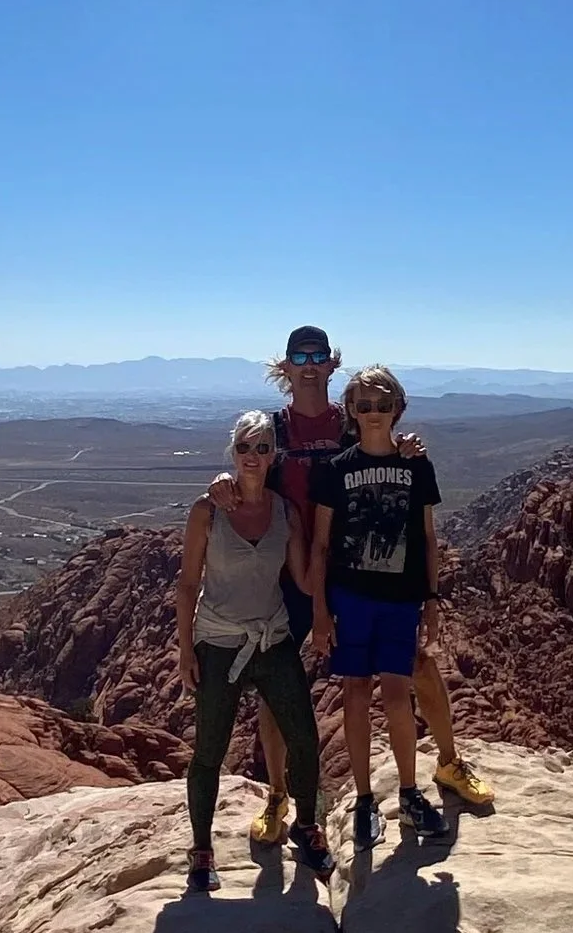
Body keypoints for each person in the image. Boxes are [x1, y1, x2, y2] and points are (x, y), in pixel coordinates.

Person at [233, 325, 495, 847]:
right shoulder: (274, 429)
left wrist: (410, 449)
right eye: (298, 356)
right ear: (284, 367)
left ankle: (447, 763)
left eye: (318, 356)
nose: (309, 364)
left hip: (357, 574)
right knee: (279, 684)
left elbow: (385, 456)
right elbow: (246, 471)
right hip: (291, 574)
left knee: (416, 664)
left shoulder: (351, 422)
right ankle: (278, 797)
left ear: (332, 365)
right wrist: (221, 485)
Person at [176, 413, 335, 896]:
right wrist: (185, 648)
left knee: (304, 738)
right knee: (209, 751)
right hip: (219, 642)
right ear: (233, 451)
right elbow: (187, 583)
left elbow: (306, 579)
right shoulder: (208, 510)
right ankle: (201, 849)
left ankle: (306, 824)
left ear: (273, 456)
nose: (254, 455)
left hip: (273, 638)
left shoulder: (284, 511)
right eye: (246, 446)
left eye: (264, 447)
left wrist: (336, 590)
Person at [310, 366, 450, 852]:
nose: (373, 413)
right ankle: (366, 800)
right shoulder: (336, 470)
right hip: (351, 597)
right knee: (354, 692)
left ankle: (409, 793)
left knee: (397, 694)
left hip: (401, 598)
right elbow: (321, 544)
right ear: (350, 410)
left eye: (382, 404)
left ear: (398, 409)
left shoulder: (418, 466)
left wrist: (432, 599)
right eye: (363, 405)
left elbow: (429, 537)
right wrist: (320, 609)